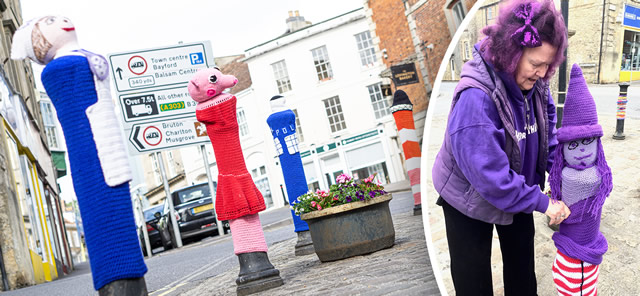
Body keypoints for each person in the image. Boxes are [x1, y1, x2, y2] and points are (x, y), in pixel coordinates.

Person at [431, 0, 569, 295]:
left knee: (522, 270)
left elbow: (548, 138)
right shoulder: (475, 100)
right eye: (535, 63)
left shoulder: (537, 82)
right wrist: (545, 204)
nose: (543, 73)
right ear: (512, 52)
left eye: (549, 65)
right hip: (468, 196)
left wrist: (565, 172)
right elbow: (491, 178)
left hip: (518, 185)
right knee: (474, 282)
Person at [548, 64, 612, 296]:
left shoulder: (595, 174)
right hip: (575, 258)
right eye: (573, 145)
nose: (582, 151)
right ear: (563, 149)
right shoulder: (574, 176)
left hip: (580, 255)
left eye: (588, 143)